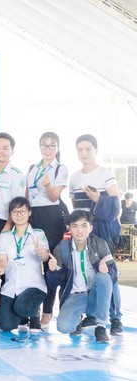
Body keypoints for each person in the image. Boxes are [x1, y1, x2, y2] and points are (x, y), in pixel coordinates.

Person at [69, 134, 122, 335]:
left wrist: (98, 198)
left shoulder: (105, 174)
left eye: (88, 149)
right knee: (83, 271)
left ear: (96, 150)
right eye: (80, 149)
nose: (84, 153)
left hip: (100, 230)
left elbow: (115, 206)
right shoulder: (74, 178)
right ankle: (90, 314)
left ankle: (115, 318)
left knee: (107, 273)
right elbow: (76, 209)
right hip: (82, 233)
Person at [46, 210, 115, 343]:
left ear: (90, 228)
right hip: (75, 296)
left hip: (95, 295)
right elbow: (53, 284)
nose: (79, 231)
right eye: (75, 226)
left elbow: (113, 277)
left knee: (103, 277)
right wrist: (53, 271)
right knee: (64, 327)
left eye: (84, 226)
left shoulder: (100, 244)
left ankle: (100, 326)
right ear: (69, 228)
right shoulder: (61, 249)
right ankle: (78, 319)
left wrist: (107, 271)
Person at [26, 132, 69, 326]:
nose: (48, 149)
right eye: (44, 144)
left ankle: (48, 309)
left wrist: (49, 185)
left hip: (52, 217)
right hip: (33, 216)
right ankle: (31, 308)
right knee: (32, 262)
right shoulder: (33, 169)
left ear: (57, 148)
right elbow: (27, 195)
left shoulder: (60, 168)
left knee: (51, 264)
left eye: (52, 145)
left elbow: (53, 197)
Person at [0, 197, 49, 332]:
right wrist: (0, 268)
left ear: (29, 212)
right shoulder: (4, 237)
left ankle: (33, 313)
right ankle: (22, 316)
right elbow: (2, 259)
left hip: (33, 286)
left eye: (23, 211)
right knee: (6, 326)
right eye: (15, 212)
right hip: (11, 287)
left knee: (22, 307)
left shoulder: (38, 234)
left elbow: (45, 257)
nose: (19, 215)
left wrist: (41, 252)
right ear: (10, 215)